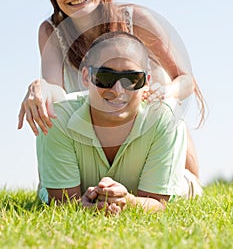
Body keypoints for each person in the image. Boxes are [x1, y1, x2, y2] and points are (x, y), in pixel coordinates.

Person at [18, 0, 205, 137]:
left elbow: (186, 80)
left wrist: (167, 92)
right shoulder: (51, 32)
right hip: (97, 149)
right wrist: (41, 88)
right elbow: (56, 95)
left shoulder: (136, 19)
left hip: (153, 137)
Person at [37, 31, 202, 214]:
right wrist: (82, 206)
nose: (117, 90)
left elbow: (158, 203)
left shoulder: (165, 117)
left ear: (146, 82)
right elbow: (62, 203)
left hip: (175, 183)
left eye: (131, 79)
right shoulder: (58, 118)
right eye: (105, 77)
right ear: (85, 77)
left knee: (183, 188)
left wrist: (127, 201)